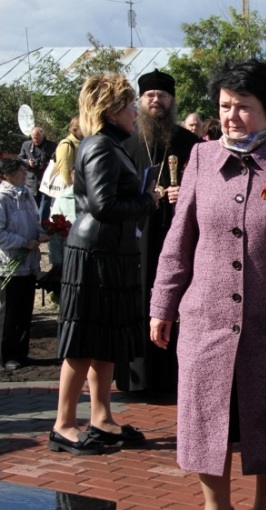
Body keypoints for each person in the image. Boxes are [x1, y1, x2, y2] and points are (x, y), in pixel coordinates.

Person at [149, 59, 266, 510]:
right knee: (204, 416)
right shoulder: (203, 159)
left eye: (243, 107)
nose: (230, 116)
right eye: (224, 106)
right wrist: (162, 304)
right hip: (206, 317)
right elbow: (178, 237)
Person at [49, 74, 160, 456]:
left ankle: (101, 418)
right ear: (112, 110)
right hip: (94, 254)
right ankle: (63, 424)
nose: (134, 111)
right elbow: (103, 206)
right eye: (129, 105)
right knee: (83, 341)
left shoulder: (114, 145)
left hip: (113, 254)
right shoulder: (100, 146)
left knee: (106, 342)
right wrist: (149, 200)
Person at [122, 69, 201, 393]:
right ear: (140, 101)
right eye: (150, 96)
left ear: (172, 101)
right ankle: (136, 379)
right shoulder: (127, 145)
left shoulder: (191, 144)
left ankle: (173, 377)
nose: (156, 100)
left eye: (162, 95)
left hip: (178, 236)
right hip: (139, 236)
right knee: (137, 300)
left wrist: (186, 194)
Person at [0, 158, 47, 371]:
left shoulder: (26, 194)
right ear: (7, 175)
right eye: (20, 171)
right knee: (9, 311)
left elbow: (34, 220)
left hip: (28, 262)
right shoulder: (3, 198)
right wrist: (23, 243)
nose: (24, 175)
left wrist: (40, 233)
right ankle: (7, 355)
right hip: (10, 265)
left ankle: (21, 351)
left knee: (24, 309)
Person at [46, 117, 83, 291]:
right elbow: (65, 169)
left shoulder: (83, 142)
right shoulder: (67, 144)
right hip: (68, 193)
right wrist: (72, 189)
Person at [18, 126, 57, 221]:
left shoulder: (53, 146)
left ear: (42, 135)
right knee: (32, 207)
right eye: (33, 137)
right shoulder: (26, 145)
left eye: (37, 137)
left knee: (44, 207)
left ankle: (42, 229)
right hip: (31, 181)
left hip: (46, 180)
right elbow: (20, 159)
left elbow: (57, 162)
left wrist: (44, 165)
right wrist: (28, 162)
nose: (34, 140)